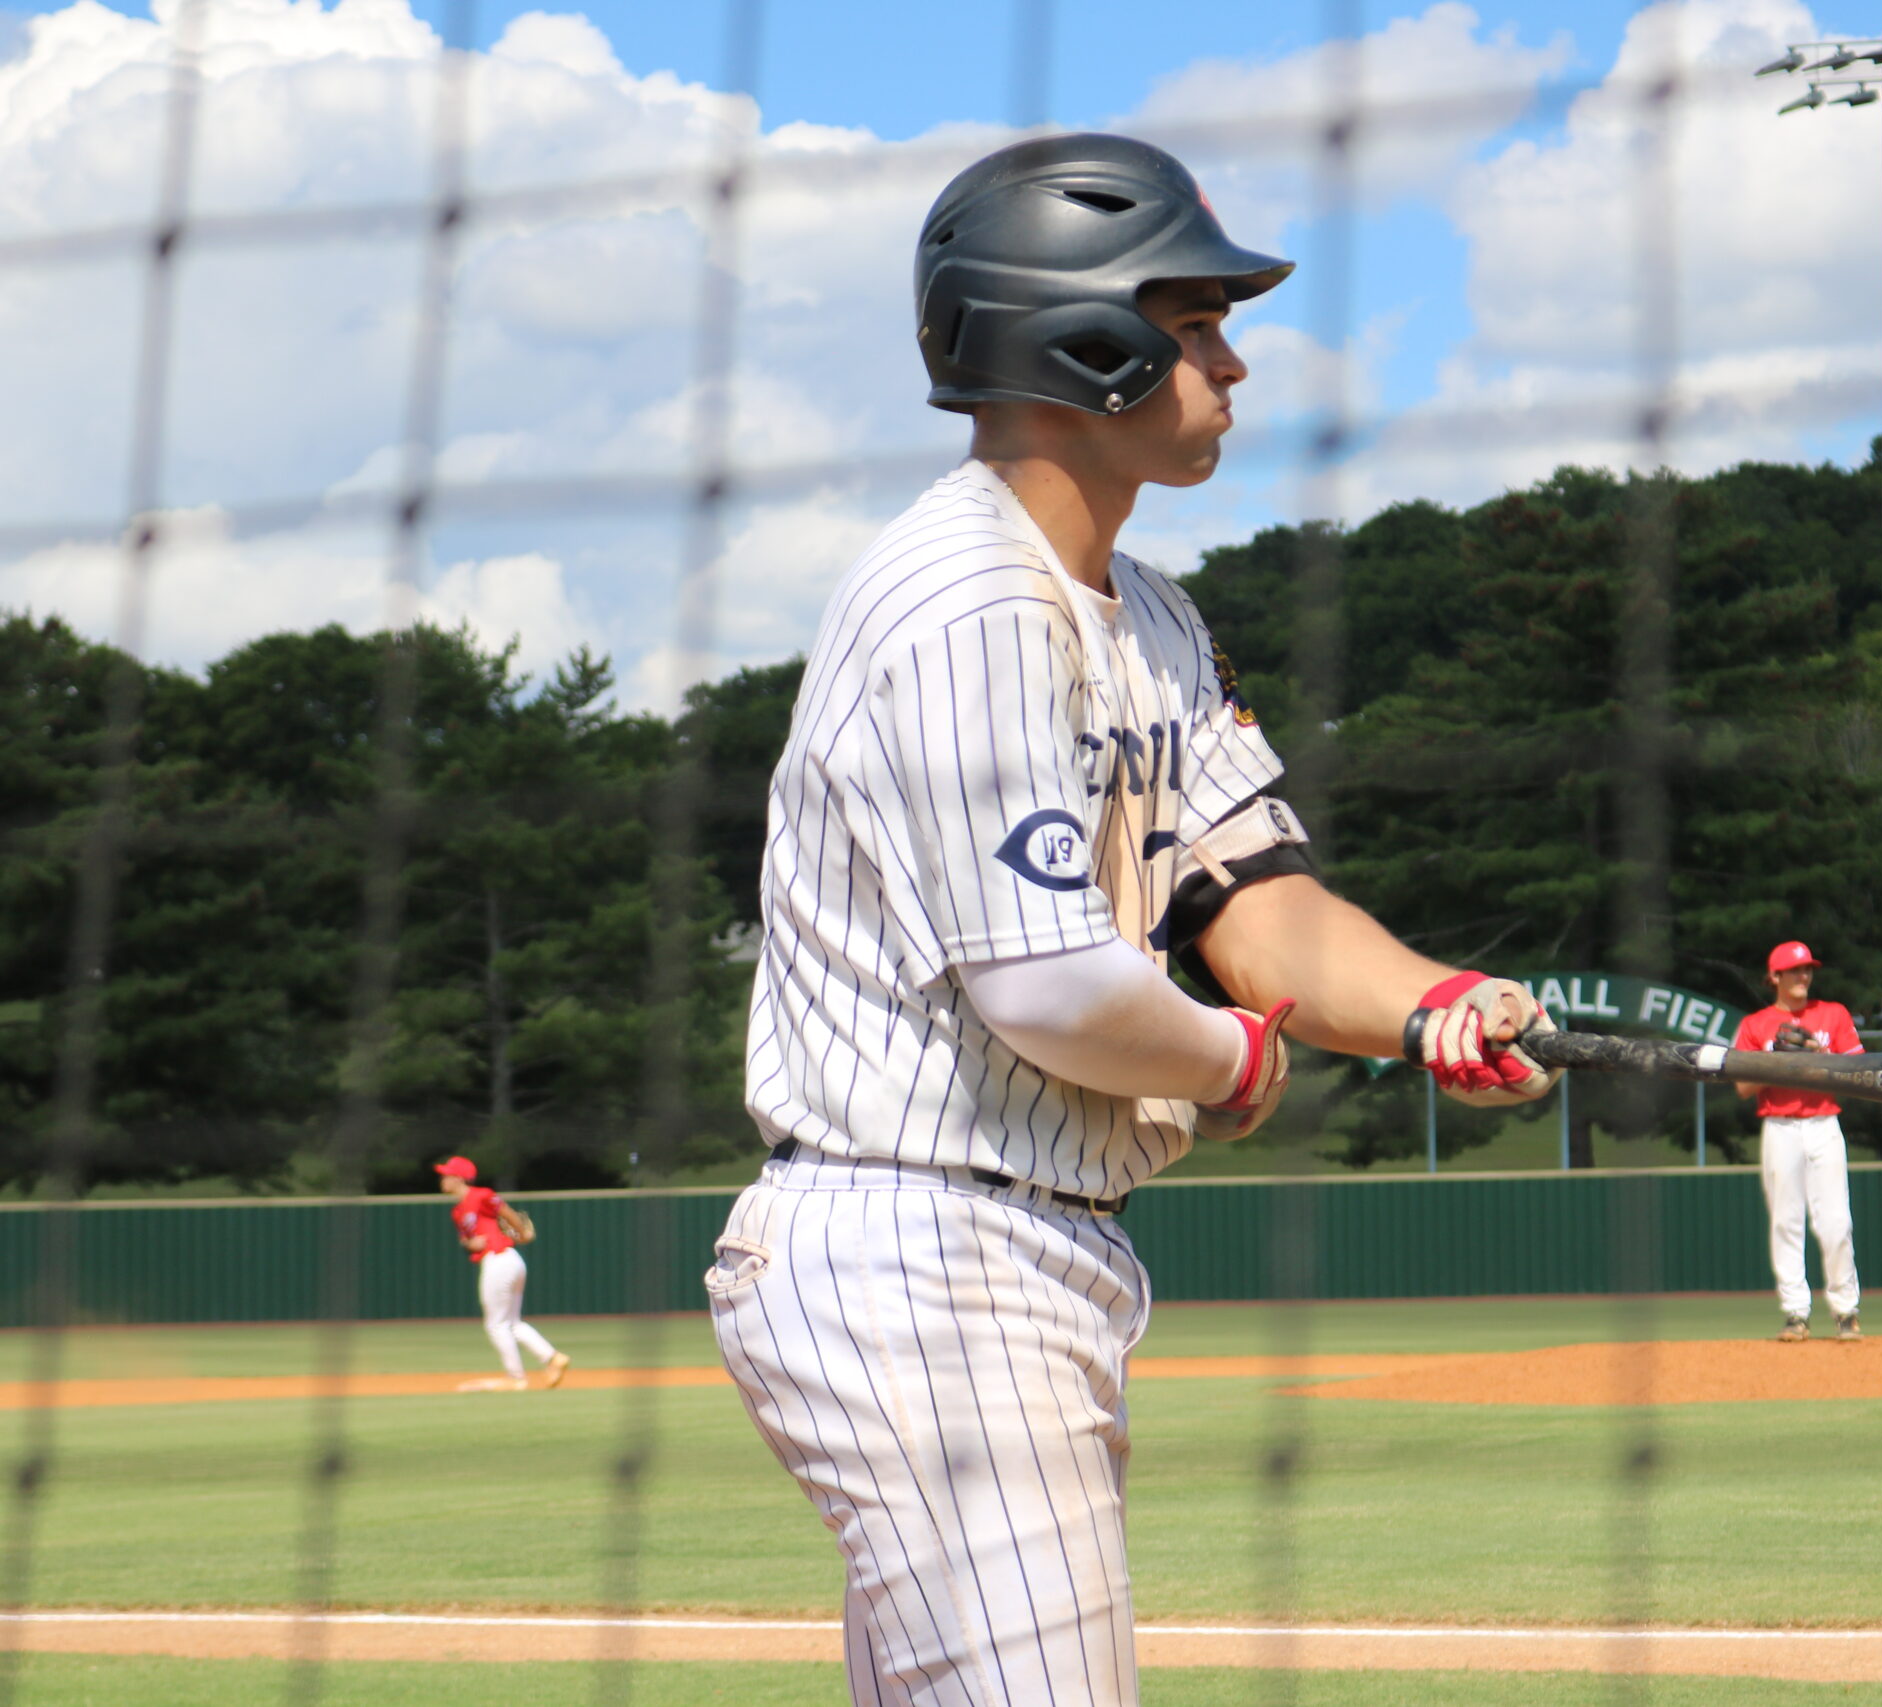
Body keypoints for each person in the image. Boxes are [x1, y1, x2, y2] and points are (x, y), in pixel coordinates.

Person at [706, 132, 1558, 1706]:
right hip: (919, 1246)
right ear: (1081, 343)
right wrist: (1233, 1063)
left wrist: (1440, 998)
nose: (1231, 358)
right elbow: (1049, 987)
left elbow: (1256, 902)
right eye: (1194, 321)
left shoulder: (1150, 614)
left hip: (1014, 1248)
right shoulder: (963, 604)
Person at [1728, 941, 1864, 1342]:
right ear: (1774, 977)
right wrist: (1777, 1062)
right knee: (1786, 1223)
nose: (1803, 977)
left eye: (1807, 970)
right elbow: (1742, 1086)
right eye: (1794, 971)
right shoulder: (1755, 1025)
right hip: (1780, 1127)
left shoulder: (1832, 1015)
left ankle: (1846, 1310)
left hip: (1824, 1123)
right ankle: (1795, 1315)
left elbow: (1859, 1071)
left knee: (1836, 1223)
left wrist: (1818, 1052)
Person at [435, 1155, 571, 1391]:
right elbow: (466, 1240)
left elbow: (505, 1211)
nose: (442, 1179)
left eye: (446, 1174)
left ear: (458, 1178)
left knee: (495, 1325)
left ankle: (515, 1377)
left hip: (500, 1258)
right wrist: (470, 1244)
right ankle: (553, 1358)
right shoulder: (457, 1211)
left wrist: (522, 1232)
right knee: (512, 1323)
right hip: (501, 1261)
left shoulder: (481, 1195)